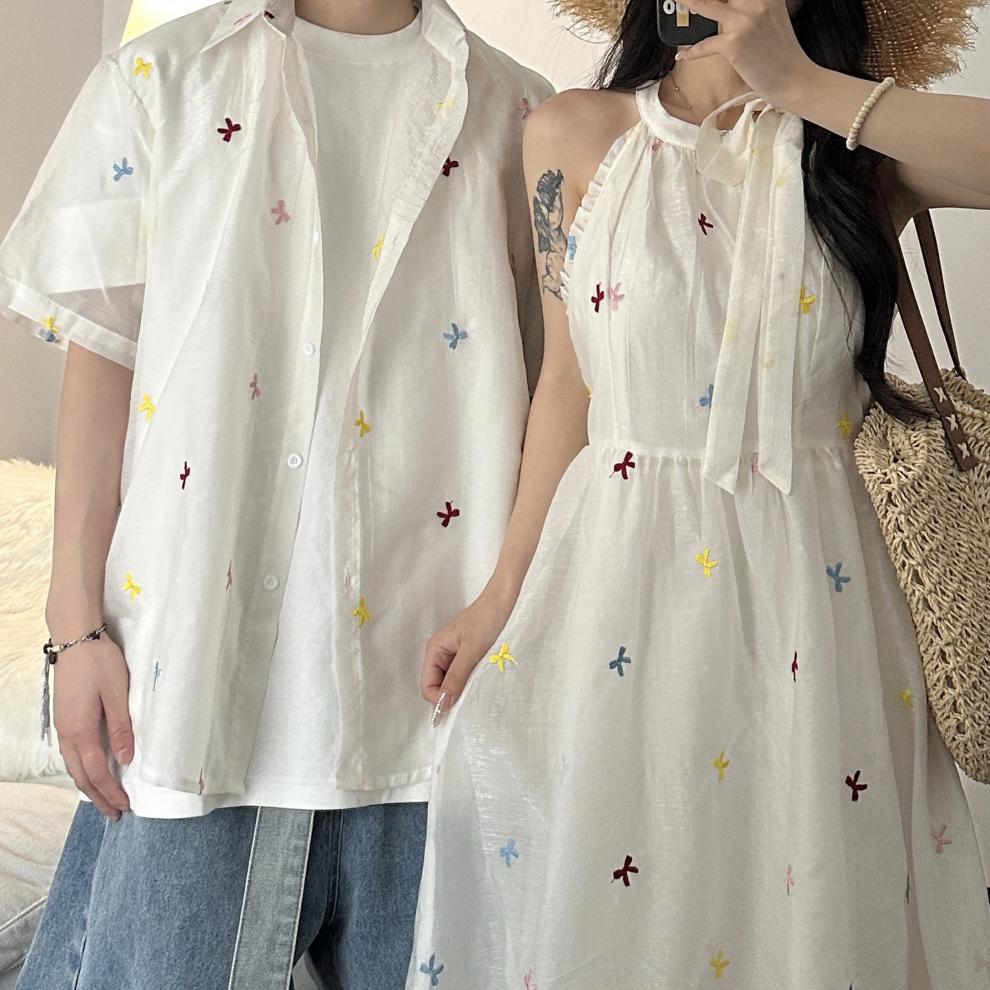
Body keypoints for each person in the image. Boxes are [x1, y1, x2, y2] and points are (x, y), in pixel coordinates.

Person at [409, 0, 990, 986]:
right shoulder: (572, 132)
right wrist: (503, 589)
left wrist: (802, 86)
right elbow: (569, 383)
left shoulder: (853, 149)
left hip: (823, 596)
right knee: (632, 888)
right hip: (625, 586)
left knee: (809, 894)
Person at [1, 0, 552, 987]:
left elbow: (558, 399)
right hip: (192, 702)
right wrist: (73, 629)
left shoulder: (518, 112)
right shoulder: (160, 82)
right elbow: (104, 357)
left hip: (436, 715)